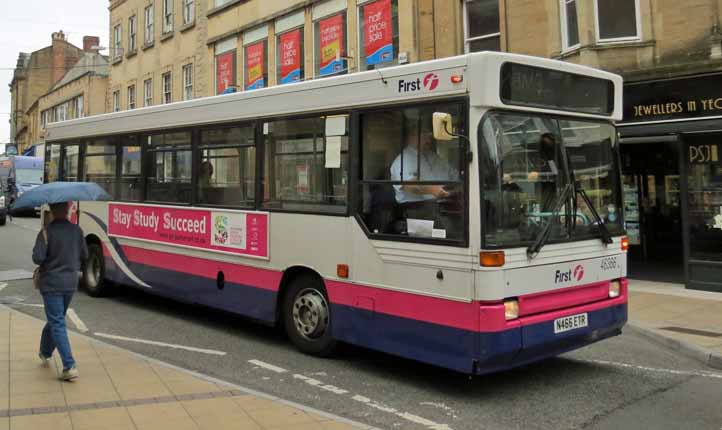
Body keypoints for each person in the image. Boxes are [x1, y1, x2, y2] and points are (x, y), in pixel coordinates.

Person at [32, 202, 88, 381]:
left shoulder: (46, 232)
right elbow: (85, 255)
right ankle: (45, 351)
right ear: (67, 211)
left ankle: (69, 365)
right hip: (70, 284)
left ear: (52, 212)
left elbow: (37, 257)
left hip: (51, 284)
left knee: (56, 322)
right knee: (56, 319)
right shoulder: (77, 231)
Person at [389, 122, 459, 233]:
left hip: (444, 205)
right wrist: (433, 190)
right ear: (411, 137)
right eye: (425, 134)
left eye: (429, 134)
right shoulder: (402, 160)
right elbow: (410, 185)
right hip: (417, 211)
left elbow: (454, 175)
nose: (429, 138)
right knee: (451, 233)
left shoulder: (433, 156)